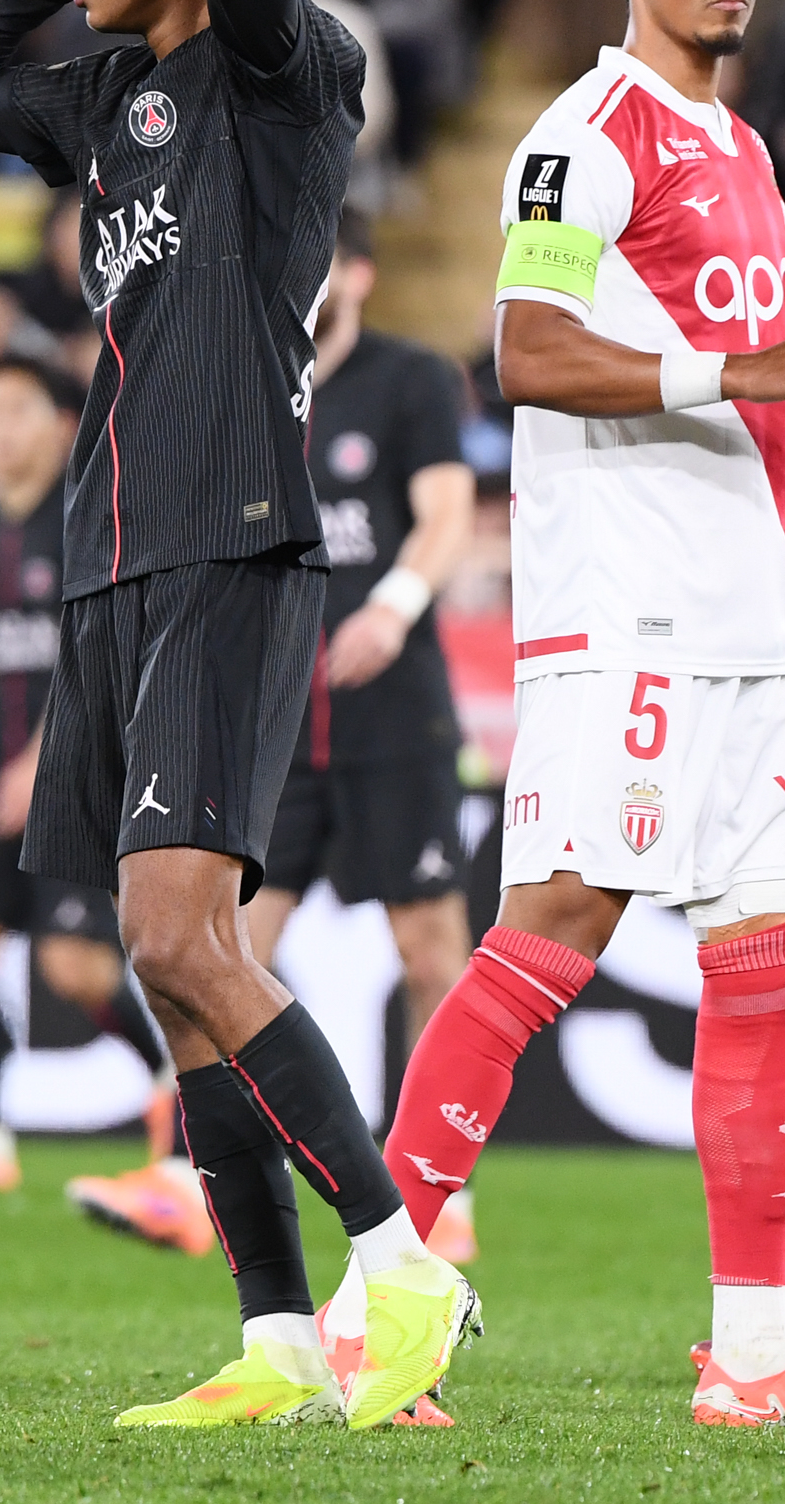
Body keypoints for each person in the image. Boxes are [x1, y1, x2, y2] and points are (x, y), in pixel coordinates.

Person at [0, 0, 475, 1432]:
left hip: (231, 542)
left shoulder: (288, 76)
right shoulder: (105, 93)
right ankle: (281, 1340)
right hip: (108, 558)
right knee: (170, 970)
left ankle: (402, 1264)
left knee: (174, 934)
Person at [369, 0, 785, 1431]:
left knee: (770, 962)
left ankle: (750, 1349)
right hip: (628, 616)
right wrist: (729, 374)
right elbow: (524, 348)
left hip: (740, 623)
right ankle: (375, 1311)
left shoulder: (736, 145)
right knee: (554, 926)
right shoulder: (584, 137)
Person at [229, 211, 477, 1271]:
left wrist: (398, 601)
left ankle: (441, 1190)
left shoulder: (412, 378)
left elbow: (447, 507)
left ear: (362, 272)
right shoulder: (253, 384)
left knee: (429, 952)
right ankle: (208, 1163)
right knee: (229, 953)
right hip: (279, 719)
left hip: (391, 713)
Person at [0, 352, 180, 1202]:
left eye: (16, 410)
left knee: (73, 967)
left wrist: (44, 763)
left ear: (62, 425)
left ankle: (173, 1080)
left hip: (77, 762)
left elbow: (103, 655)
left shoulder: (90, 516)